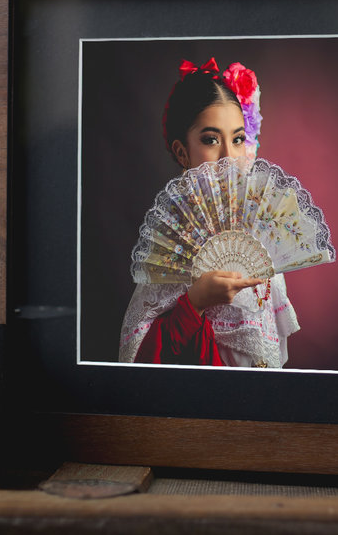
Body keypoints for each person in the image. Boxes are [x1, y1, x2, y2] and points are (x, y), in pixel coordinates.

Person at [118, 57, 301, 367]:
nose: (230, 156)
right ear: (181, 151)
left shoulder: (259, 225)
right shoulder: (174, 235)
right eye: (211, 140)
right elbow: (142, 360)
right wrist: (196, 302)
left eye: (238, 139)